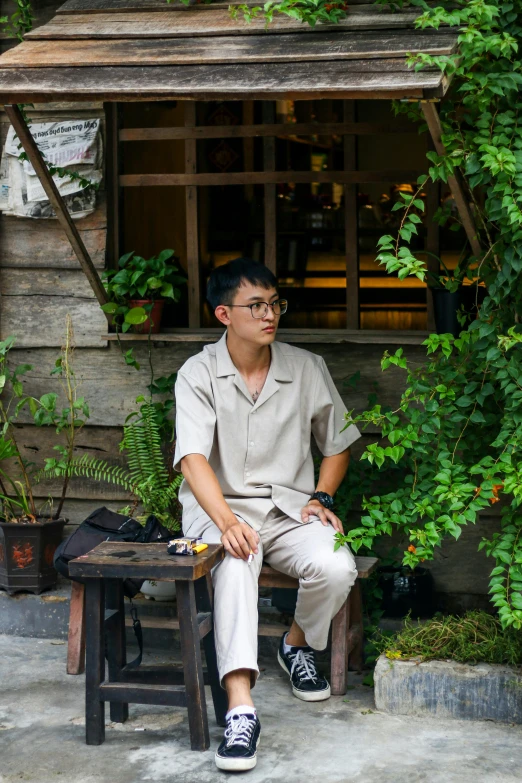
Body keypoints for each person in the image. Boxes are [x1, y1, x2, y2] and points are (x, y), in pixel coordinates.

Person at [173, 258, 360, 772]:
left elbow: (338, 444)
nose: (269, 314)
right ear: (223, 314)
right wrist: (228, 523)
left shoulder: (304, 368)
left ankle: (296, 644)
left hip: (286, 509)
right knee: (234, 563)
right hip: (220, 509)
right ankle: (240, 708)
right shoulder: (198, 374)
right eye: (255, 305)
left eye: (275, 303)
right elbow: (192, 458)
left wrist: (321, 498)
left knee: (337, 562)